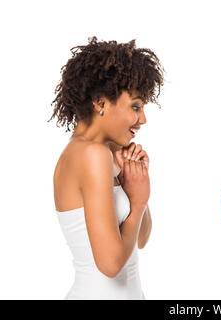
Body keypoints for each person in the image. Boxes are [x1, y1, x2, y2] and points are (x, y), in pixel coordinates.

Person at [49, 37, 164, 299]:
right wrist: (139, 199)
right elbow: (110, 265)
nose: (143, 119)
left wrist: (135, 187)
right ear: (101, 103)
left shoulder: (107, 152)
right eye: (135, 106)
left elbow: (141, 240)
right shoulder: (91, 154)